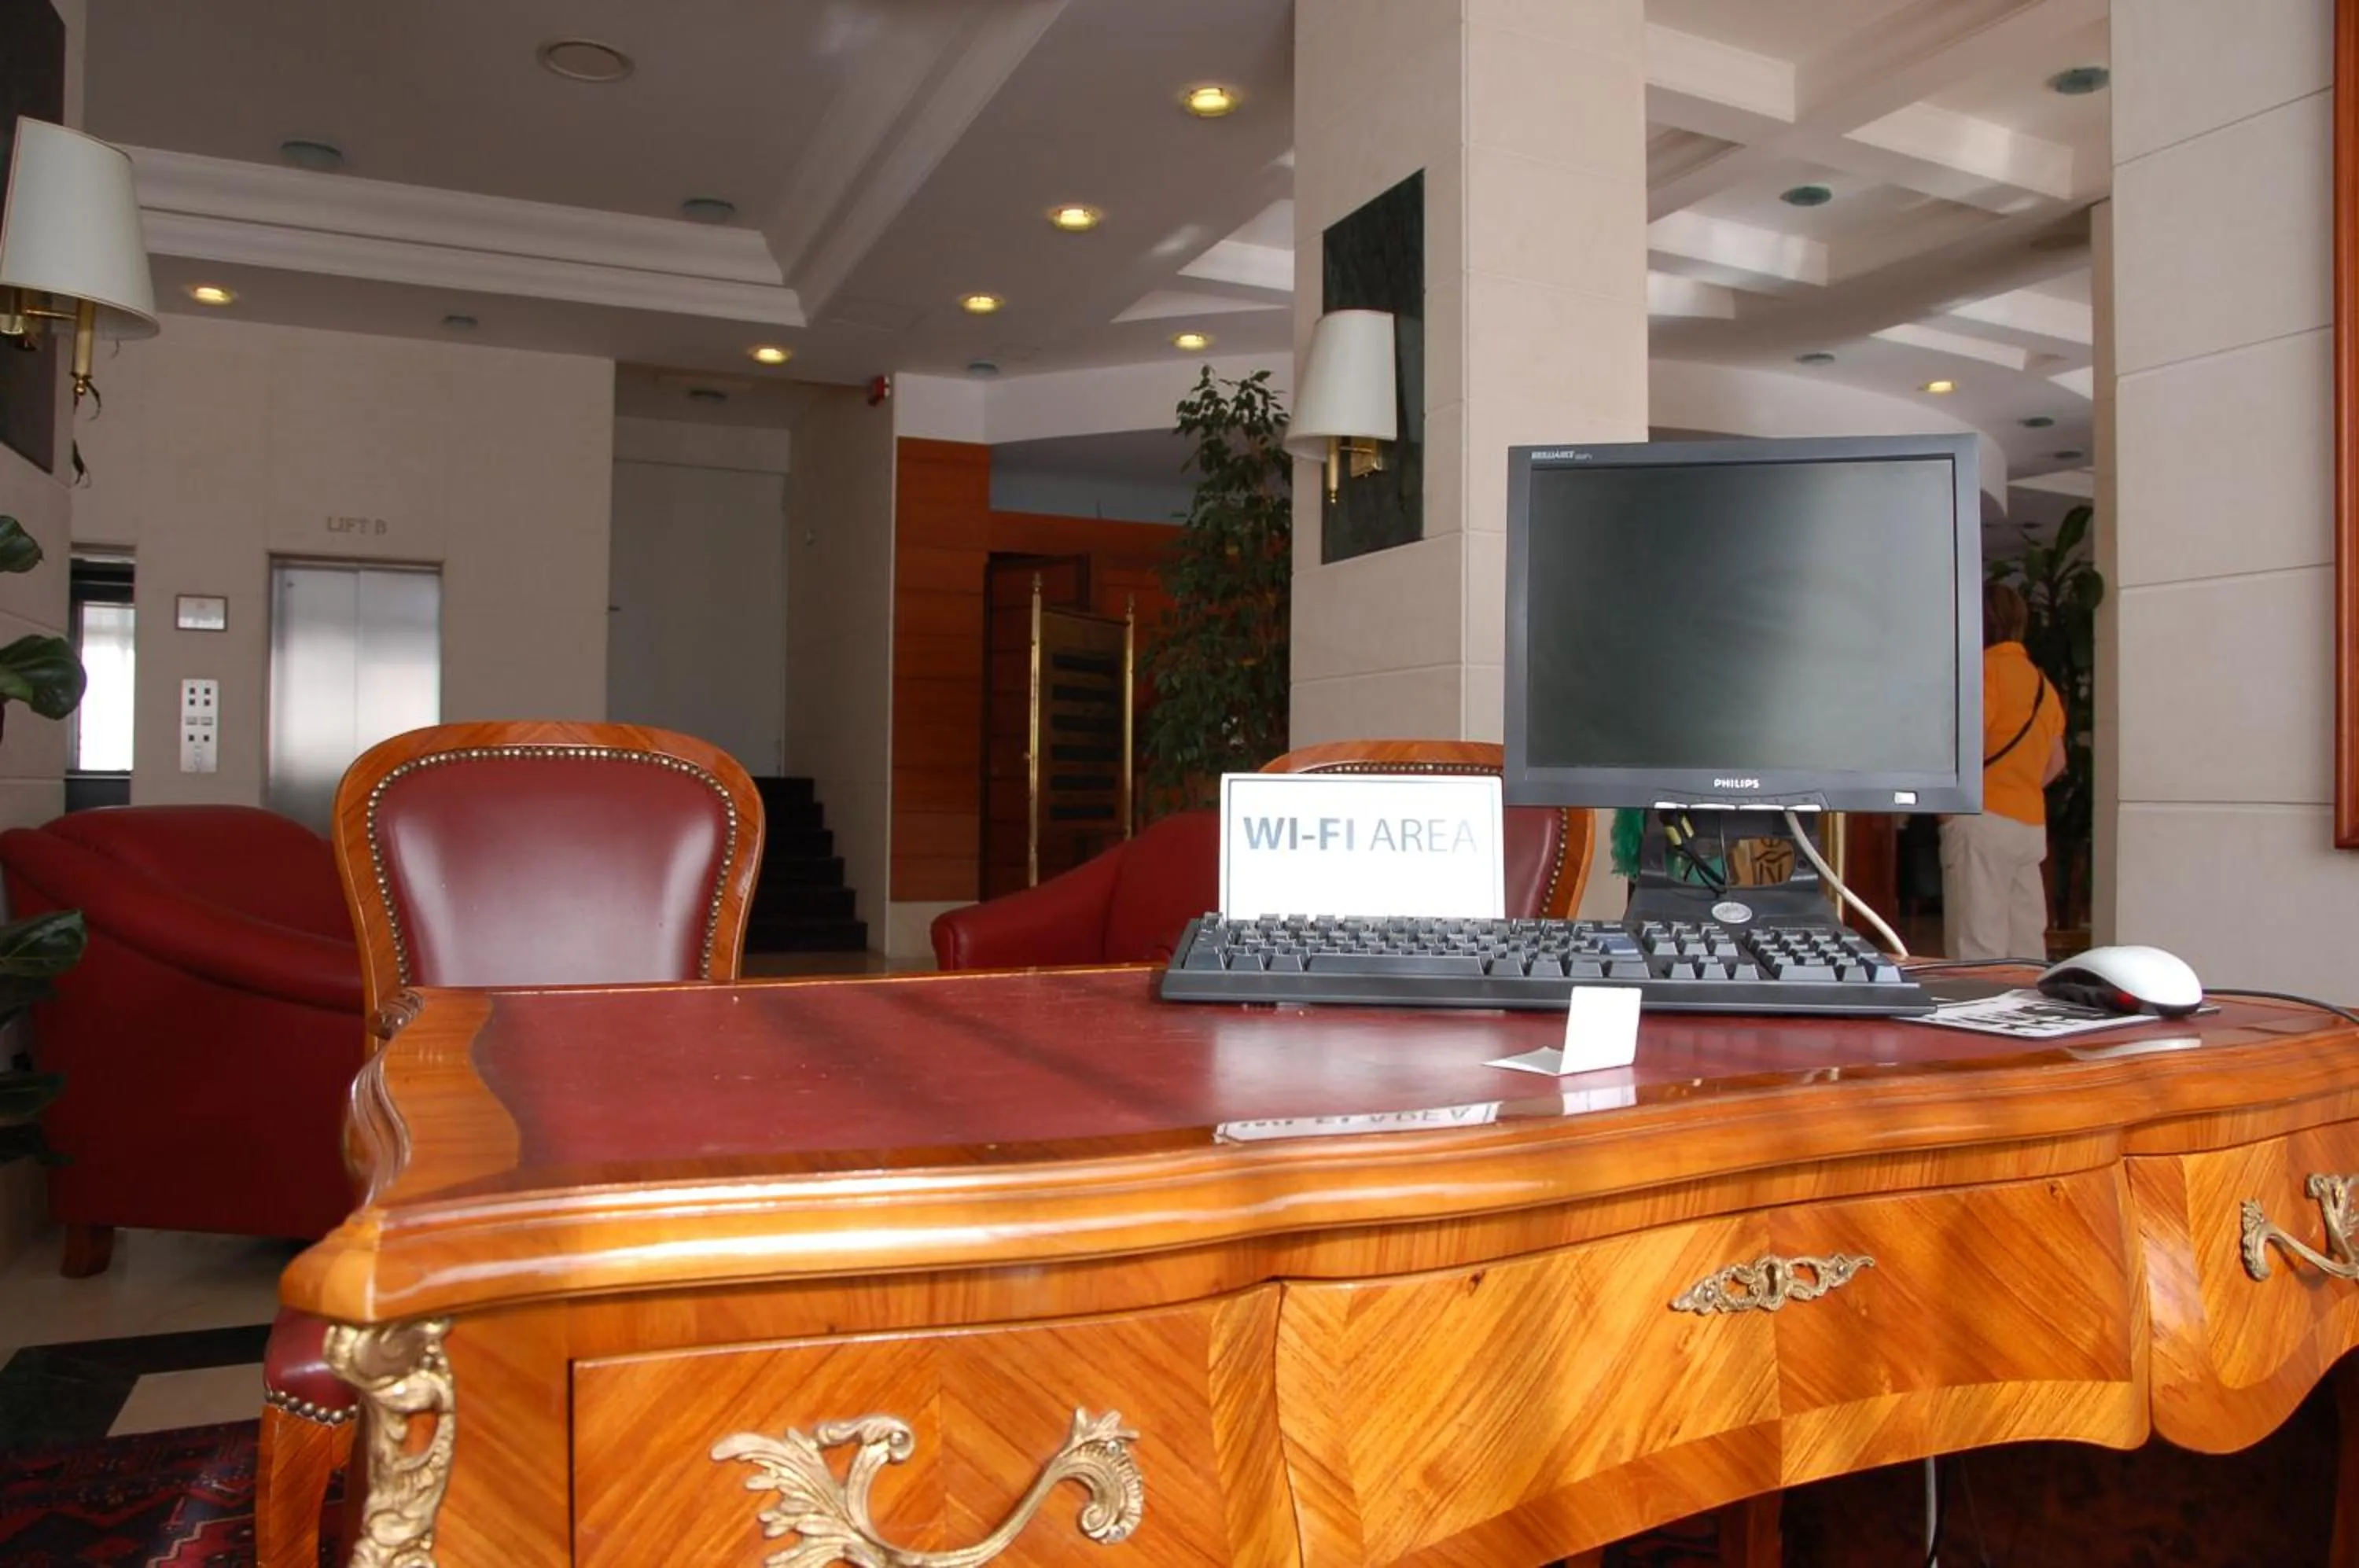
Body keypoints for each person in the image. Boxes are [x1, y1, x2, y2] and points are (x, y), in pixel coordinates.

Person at [1941, 582, 2066, 961]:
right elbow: (2057, 761)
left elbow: (1970, 743)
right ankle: (2027, 1013)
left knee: (1978, 940)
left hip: (1982, 820)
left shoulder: (1983, 671)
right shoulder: (2042, 684)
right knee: (2026, 943)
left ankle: (1976, 1017)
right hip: (2029, 825)